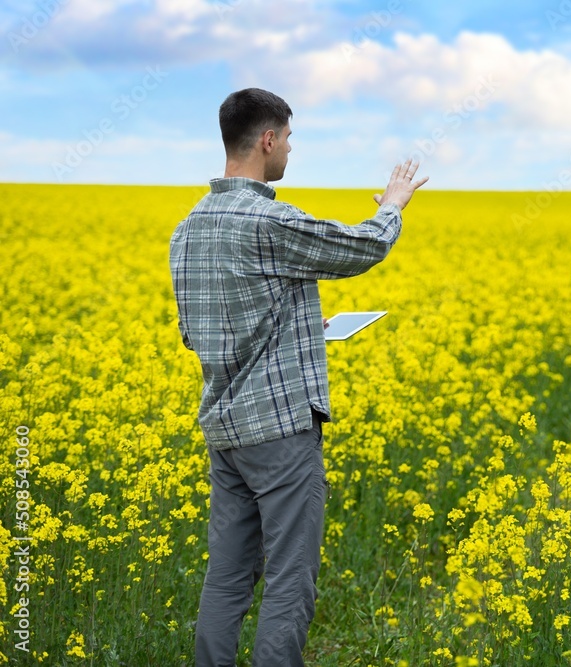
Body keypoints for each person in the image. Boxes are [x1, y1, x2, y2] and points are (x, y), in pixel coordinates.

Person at [168, 87, 427, 667]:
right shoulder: (269, 220)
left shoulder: (185, 231)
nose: (289, 148)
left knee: (228, 577)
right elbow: (362, 247)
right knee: (289, 578)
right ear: (266, 140)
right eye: (287, 137)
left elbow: (196, 333)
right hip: (280, 433)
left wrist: (302, 322)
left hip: (225, 431)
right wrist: (393, 204)